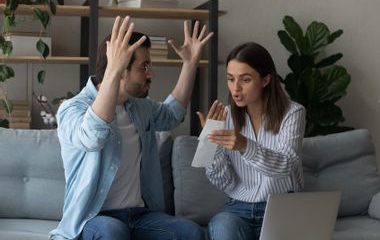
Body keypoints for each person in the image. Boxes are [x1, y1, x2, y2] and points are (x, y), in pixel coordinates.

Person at [49, 16, 213, 240]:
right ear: (120, 69)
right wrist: (112, 72)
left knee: (191, 232)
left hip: (140, 215)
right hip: (93, 218)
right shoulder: (72, 109)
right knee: (113, 231)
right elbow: (92, 138)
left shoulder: (139, 107)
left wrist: (190, 64)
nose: (150, 74)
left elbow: (172, 115)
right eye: (144, 67)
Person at [196, 42, 306, 240]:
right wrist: (211, 143)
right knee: (222, 228)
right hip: (237, 209)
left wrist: (244, 145)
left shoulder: (293, 113)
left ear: (265, 80)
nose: (235, 88)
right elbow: (224, 181)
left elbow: (286, 166)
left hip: (281, 207)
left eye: (245, 80)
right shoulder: (225, 116)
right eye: (230, 79)